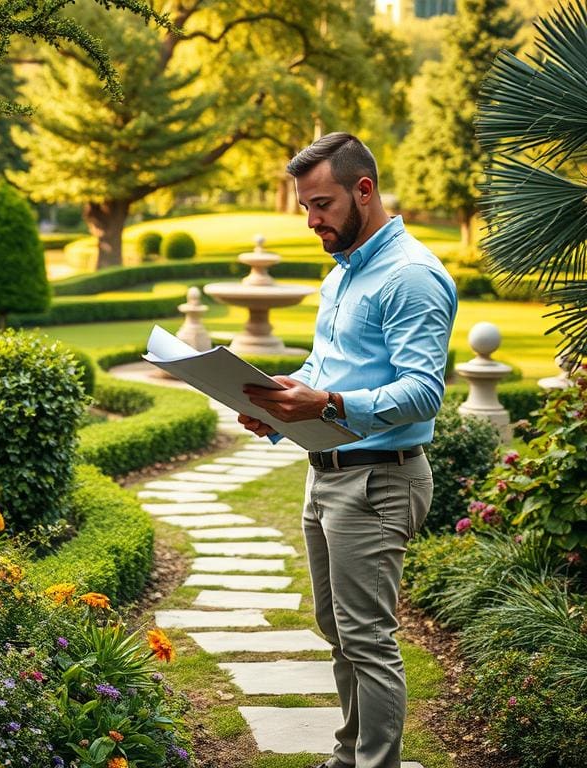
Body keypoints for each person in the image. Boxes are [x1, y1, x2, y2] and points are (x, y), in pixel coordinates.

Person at [238, 132, 457, 768]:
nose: (313, 221)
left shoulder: (410, 276)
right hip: (328, 473)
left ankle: (376, 764)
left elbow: (422, 392)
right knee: (338, 632)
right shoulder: (343, 273)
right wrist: (277, 410)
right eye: (305, 207)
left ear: (365, 190)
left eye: (323, 204)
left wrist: (327, 405)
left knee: (368, 640)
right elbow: (329, 367)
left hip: (379, 482)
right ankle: (350, 753)